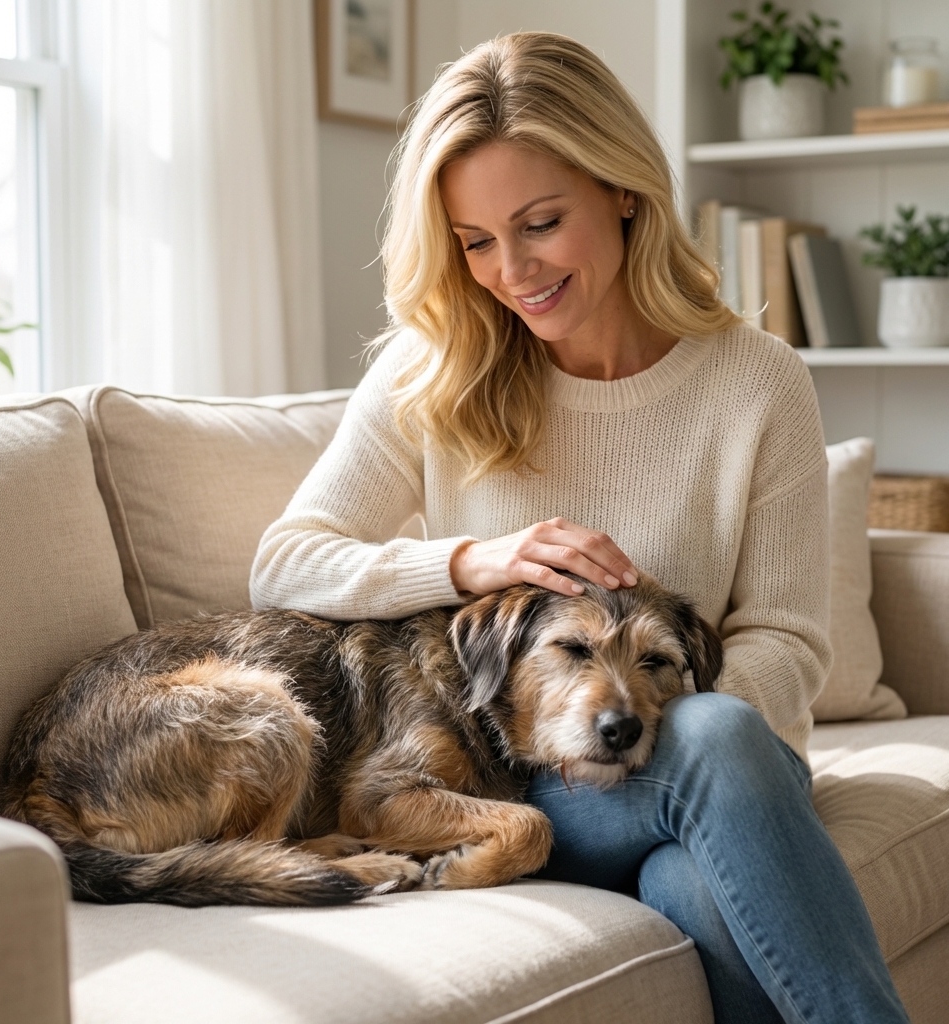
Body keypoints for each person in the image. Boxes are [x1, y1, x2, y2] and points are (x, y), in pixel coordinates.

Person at [250, 32, 909, 1024]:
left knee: (699, 868)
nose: (509, 271)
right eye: (473, 241)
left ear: (624, 190)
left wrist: (661, 714)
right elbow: (283, 561)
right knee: (706, 802)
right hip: (539, 790)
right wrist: (474, 561)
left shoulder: (754, 380)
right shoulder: (435, 369)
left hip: (728, 767)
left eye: (540, 223)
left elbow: (788, 638)